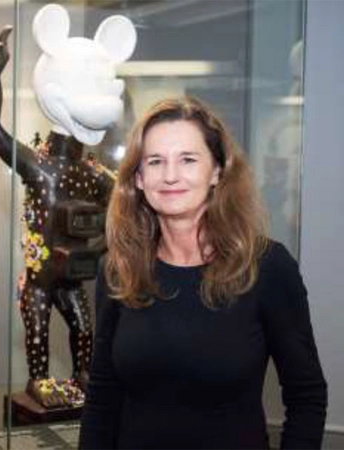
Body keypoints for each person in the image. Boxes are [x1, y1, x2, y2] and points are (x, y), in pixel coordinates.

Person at [79, 97, 327, 449]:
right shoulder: (119, 268)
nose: (170, 175)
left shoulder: (267, 266)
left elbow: (306, 396)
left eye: (188, 159)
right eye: (155, 161)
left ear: (217, 172)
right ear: (138, 178)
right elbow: (103, 394)